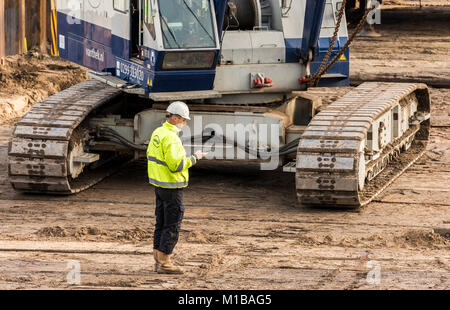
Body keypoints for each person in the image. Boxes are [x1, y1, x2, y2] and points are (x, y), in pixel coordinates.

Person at [147, 101, 207, 274]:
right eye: (183, 119)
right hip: (172, 187)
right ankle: (165, 263)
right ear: (174, 118)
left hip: (159, 185)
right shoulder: (172, 138)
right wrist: (195, 158)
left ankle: (158, 260)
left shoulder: (158, 132)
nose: (185, 123)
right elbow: (176, 165)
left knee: (161, 223)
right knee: (172, 225)